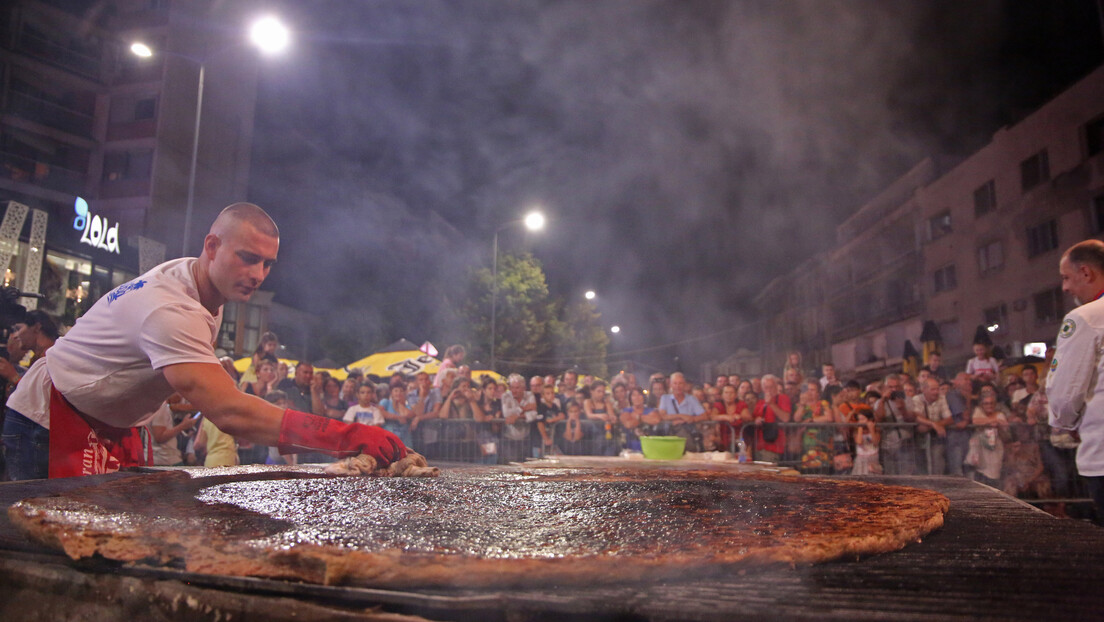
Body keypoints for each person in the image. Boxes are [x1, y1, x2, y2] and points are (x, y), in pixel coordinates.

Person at [1, 203, 405, 480]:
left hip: (104, 424)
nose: (259, 273)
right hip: (48, 421)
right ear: (212, 246)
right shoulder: (170, 308)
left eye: (267, 263)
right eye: (248, 257)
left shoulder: (203, 285)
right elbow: (229, 411)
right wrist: (345, 436)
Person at [1047, 239, 1104, 521]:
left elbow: (1065, 392)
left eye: (1067, 278)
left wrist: (1065, 423)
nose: (1065, 288)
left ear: (1086, 273)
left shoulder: (1085, 318)